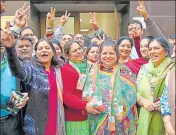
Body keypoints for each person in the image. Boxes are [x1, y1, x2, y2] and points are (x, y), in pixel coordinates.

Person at [1, 26, 65, 134]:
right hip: (37, 124)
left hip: (57, 120)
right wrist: (10, 49)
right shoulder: (31, 68)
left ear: (53, 52)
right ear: (36, 53)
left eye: (47, 48)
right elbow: (19, 72)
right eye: (40, 49)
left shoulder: (58, 70)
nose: (44, 50)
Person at [84, 40, 137, 135]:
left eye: (111, 53)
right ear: (100, 55)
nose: (107, 56)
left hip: (120, 120)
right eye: (104, 53)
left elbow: (131, 93)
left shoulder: (125, 71)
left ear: (117, 54)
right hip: (97, 117)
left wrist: (112, 108)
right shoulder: (93, 71)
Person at [61, 40, 102, 135]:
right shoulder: (67, 69)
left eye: (79, 49)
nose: (79, 52)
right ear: (67, 55)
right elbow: (66, 96)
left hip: (93, 114)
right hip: (76, 117)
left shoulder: (90, 65)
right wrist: (85, 106)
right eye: (74, 51)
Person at [136, 37, 175, 135]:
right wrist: (144, 101)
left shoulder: (172, 69)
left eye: (156, 48)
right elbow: (134, 92)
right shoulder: (143, 69)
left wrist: (164, 104)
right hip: (145, 116)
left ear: (166, 52)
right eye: (150, 49)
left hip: (167, 120)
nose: (152, 52)